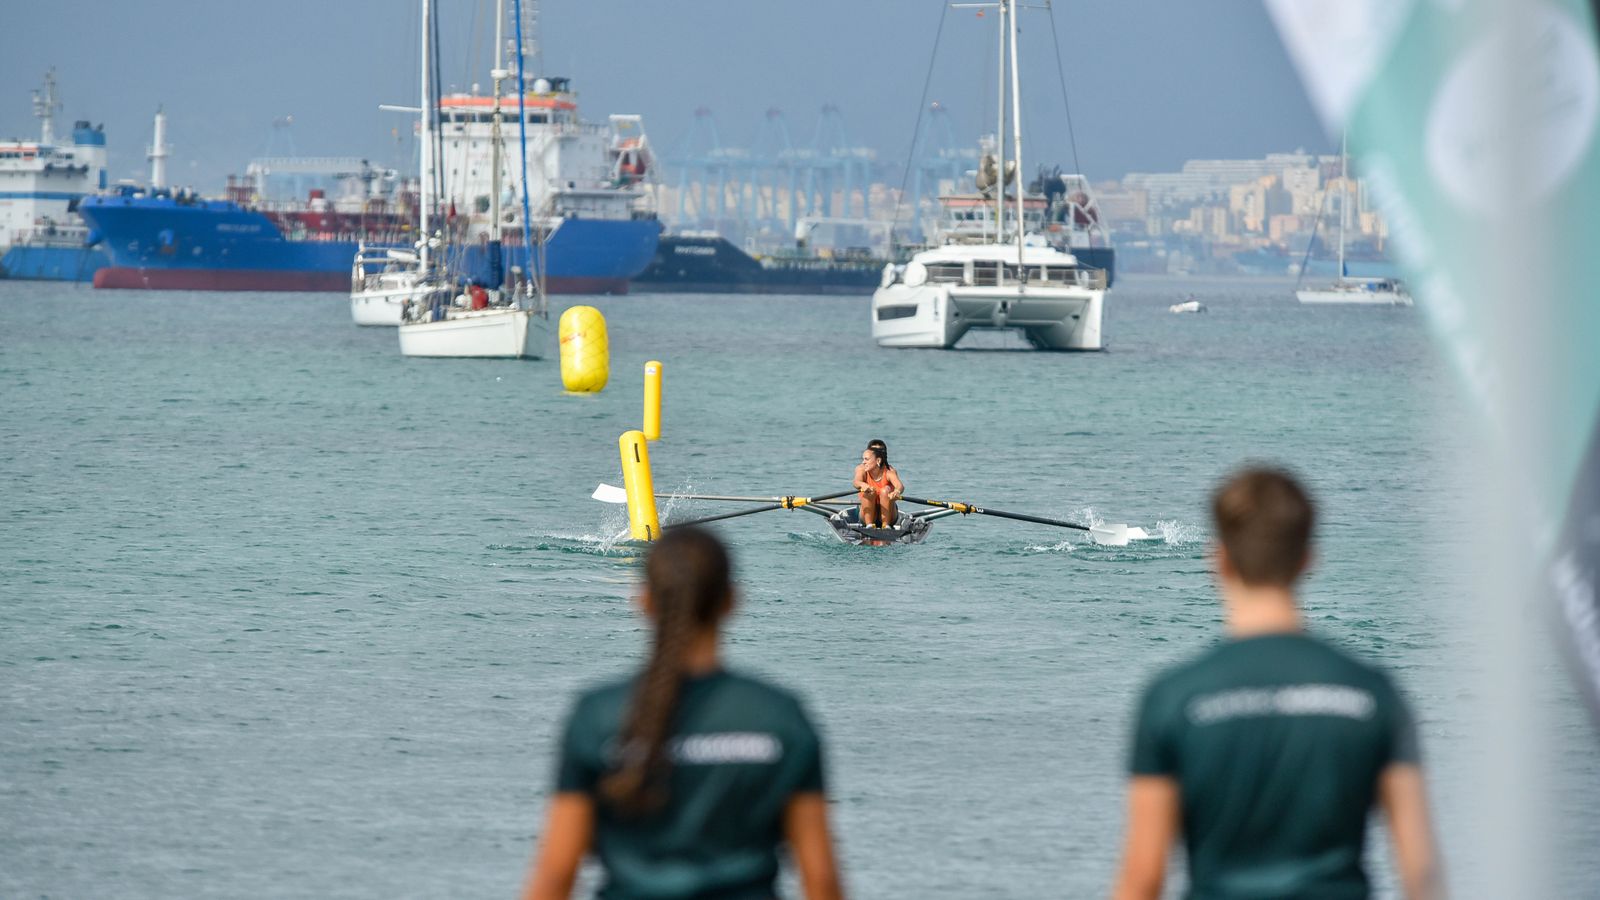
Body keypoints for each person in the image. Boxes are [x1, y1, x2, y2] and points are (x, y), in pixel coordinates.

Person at [1113, 467, 1442, 900]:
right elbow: (1422, 875)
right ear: (1309, 558)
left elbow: (1143, 878)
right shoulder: (1373, 692)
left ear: (1219, 560)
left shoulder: (1173, 698)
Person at [523, 527, 844, 900]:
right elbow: (820, 880)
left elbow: (555, 877)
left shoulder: (598, 716)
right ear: (731, 601)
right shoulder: (779, 716)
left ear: (643, 601)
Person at [853, 443, 904, 529]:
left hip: (888, 514)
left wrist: (897, 491)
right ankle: (869, 525)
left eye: (866, 459)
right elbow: (856, 482)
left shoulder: (889, 471)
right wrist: (863, 485)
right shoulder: (862, 469)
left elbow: (900, 485)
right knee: (870, 491)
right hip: (867, 515)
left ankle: (886, 525)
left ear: (878, 460)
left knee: (885, 490)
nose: (863, 462)